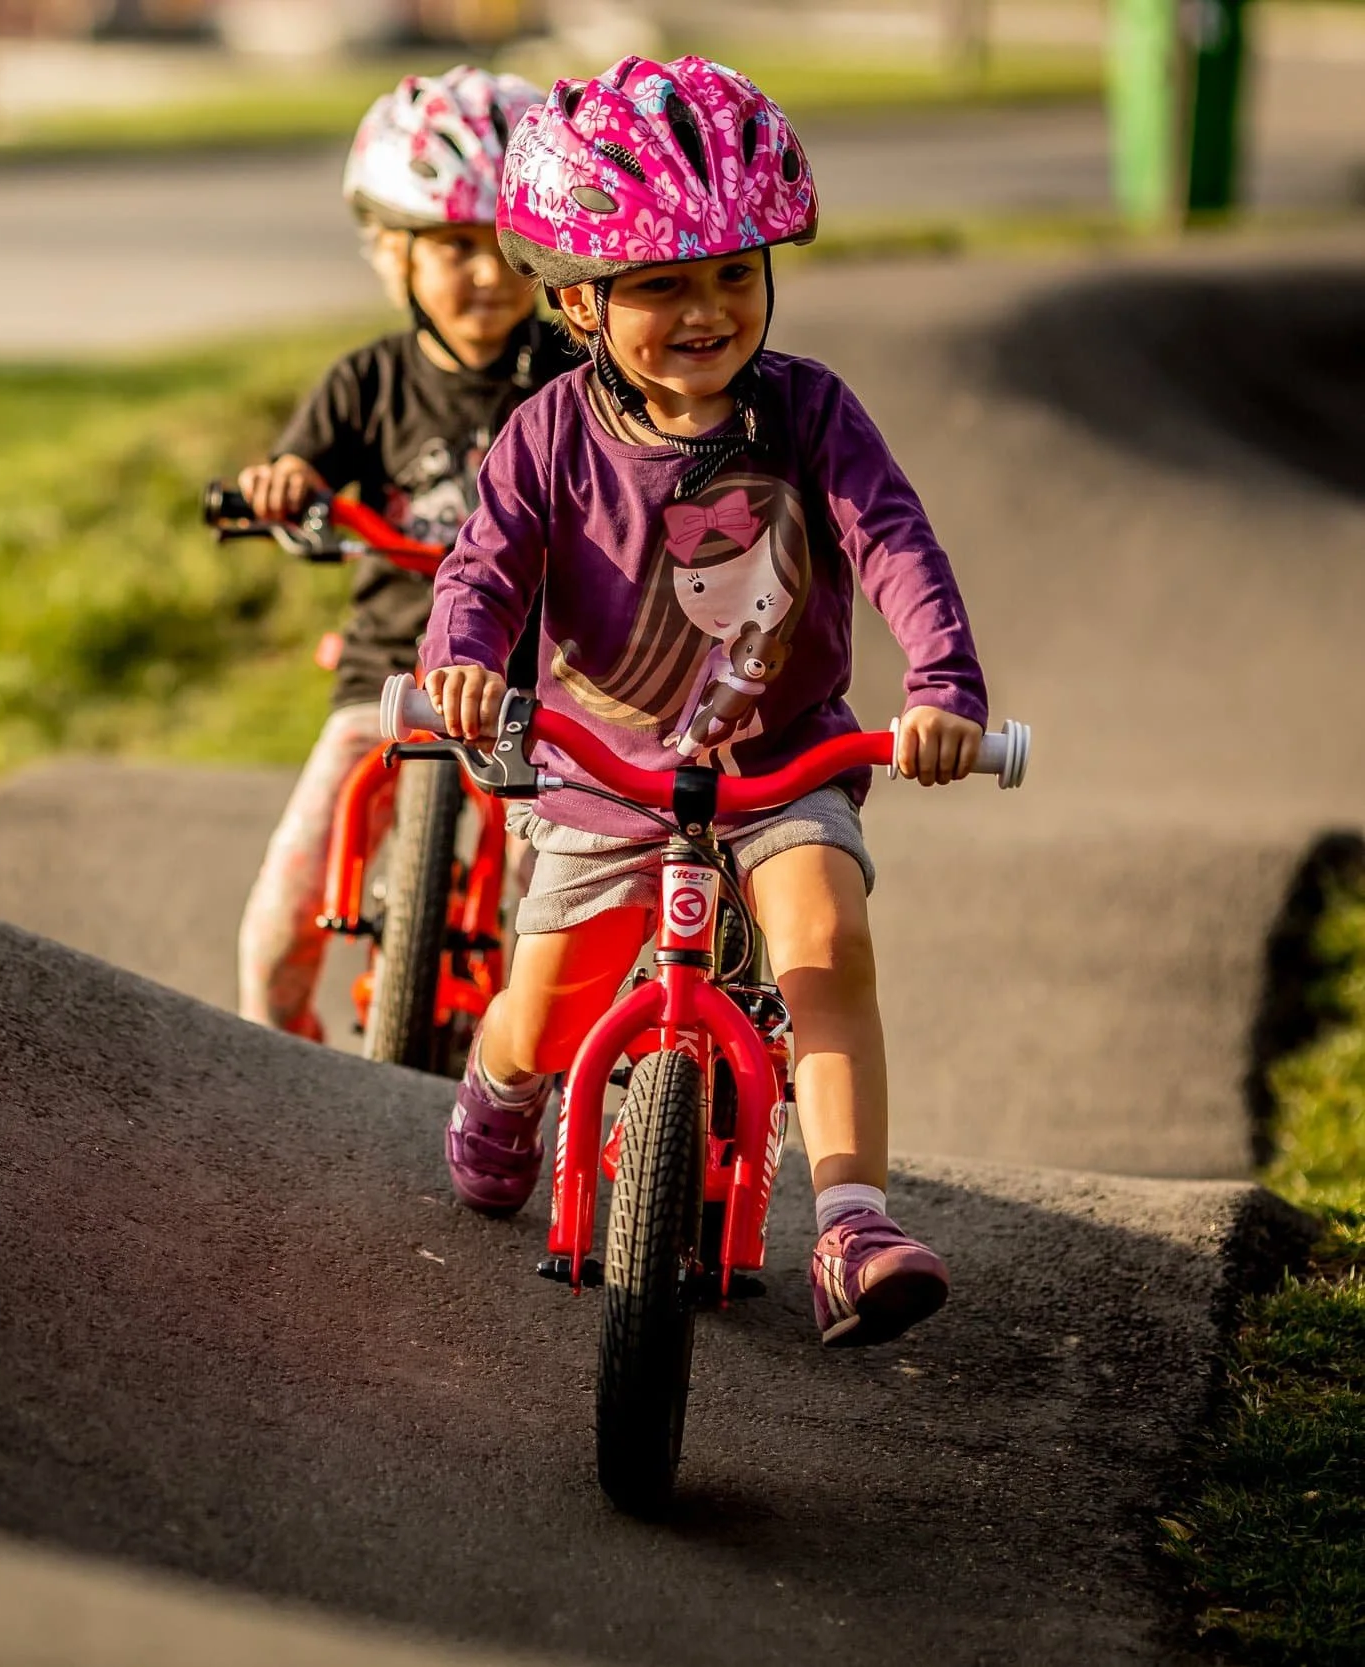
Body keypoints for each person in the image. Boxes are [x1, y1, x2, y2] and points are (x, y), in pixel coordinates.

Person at [420, 57, 989, 1348]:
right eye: (662, 283)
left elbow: (894, 540)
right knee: (550, 1000)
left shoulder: (810, 414)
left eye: (734, 273)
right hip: (604, 766)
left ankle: (850, 1221)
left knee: (824, 946)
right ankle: (505, 1085)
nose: (707, 309)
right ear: (575, 301)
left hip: (783, 761)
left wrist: (943, 684)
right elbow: (488, 563)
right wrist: (462, 654)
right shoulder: (549, 435)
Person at [235, 65, 578, 1040]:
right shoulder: (367, 381)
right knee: (279, 914)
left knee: (553, 904)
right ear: (393, 255)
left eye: (506, 248)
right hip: (387, 677)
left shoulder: (573, 377)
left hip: (535, 689)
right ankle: (279, 1066)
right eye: (453, 248)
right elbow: (299, 464)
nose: (484, 273)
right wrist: (285, 486)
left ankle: (533, 1083)